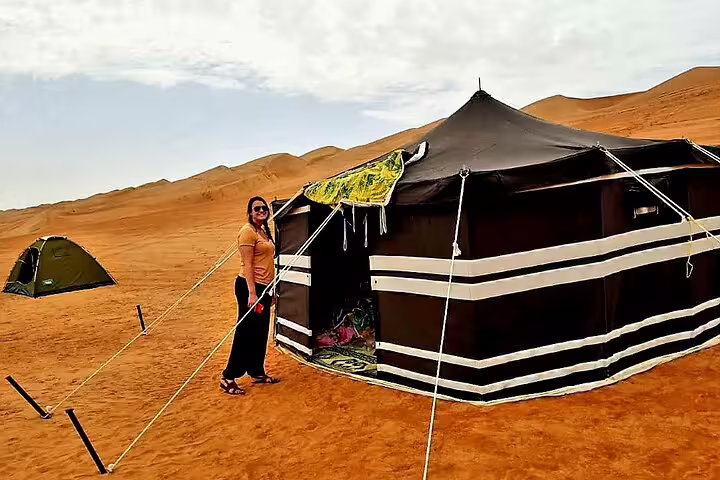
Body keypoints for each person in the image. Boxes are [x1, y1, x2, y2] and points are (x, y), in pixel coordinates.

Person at [220, 196, 281, 395]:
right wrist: (253, 294)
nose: (261, 211)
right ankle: (228, 377)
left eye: (264, 208)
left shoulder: (263, 231)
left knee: (260, 330)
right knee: (246, 331)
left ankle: (256, 371)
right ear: (250, 212)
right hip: (249, 288)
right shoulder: (247, 232)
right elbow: (248, 265)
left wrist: (268, 291)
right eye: (257, 209)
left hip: (263, 288)